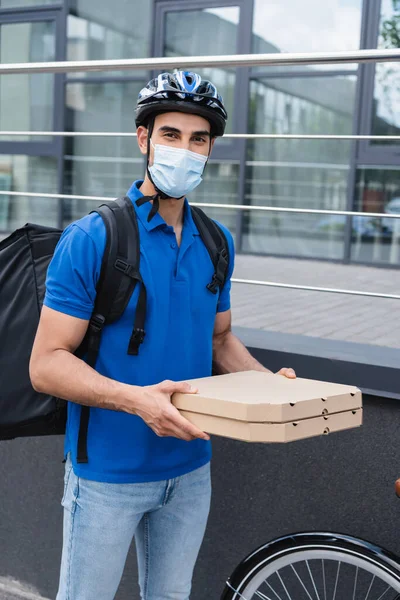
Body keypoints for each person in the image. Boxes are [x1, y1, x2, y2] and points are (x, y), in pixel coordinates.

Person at [30, 71, 296, 600]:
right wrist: (137, 403)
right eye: (171, 134)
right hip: (107, 470)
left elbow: (220, 341)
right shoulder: (93, 238)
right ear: (143, 137)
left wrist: (272, 387)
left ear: (211, 149)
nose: (185, 149)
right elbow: (46, 364)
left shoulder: (216, 242)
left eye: (199, 139)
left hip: (191, 470)